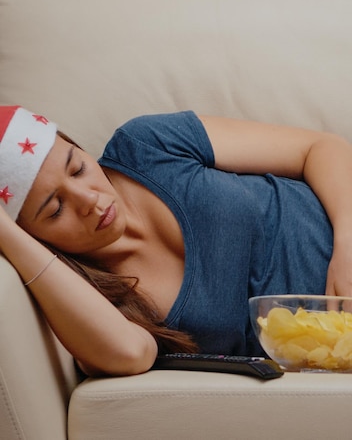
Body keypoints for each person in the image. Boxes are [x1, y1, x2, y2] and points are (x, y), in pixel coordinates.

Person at [0, 105, 352, 378]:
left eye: (77, 168)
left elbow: (319, 148)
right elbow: (131, 354)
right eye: (55, 208)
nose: (88, 200)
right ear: (32, 235)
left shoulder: (145, 145)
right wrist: (8, 235)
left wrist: (347, 242)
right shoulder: (91, 298)